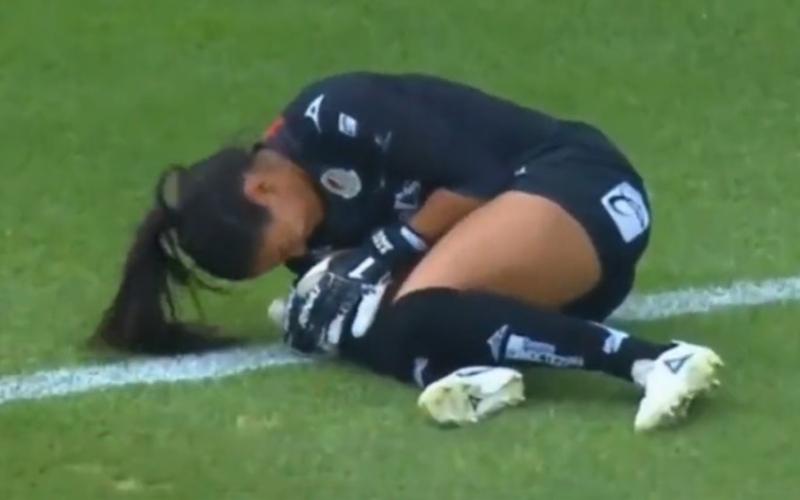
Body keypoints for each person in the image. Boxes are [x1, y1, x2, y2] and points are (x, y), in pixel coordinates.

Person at [92, 71, 723, 432]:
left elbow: (479, 177)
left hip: (581, 187)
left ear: (261, 188)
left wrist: (388, 247)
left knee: (407, 307)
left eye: (287, 240)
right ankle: (465, 370)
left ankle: (654, 360)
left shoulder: (334, 113)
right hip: (568, 277)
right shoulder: (305, 223)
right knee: (393, 321)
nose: (303, 250)